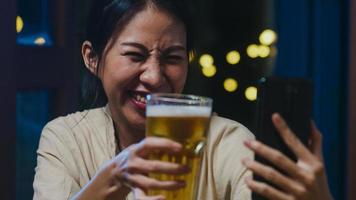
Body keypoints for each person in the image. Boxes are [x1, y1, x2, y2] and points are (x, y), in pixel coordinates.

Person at [33, 0, 333, 199]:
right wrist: (113, 179)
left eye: (172, 57)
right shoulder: (66, 139)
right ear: (92, 58)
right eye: (135, 55)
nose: (154, 76)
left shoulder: (227, 141)